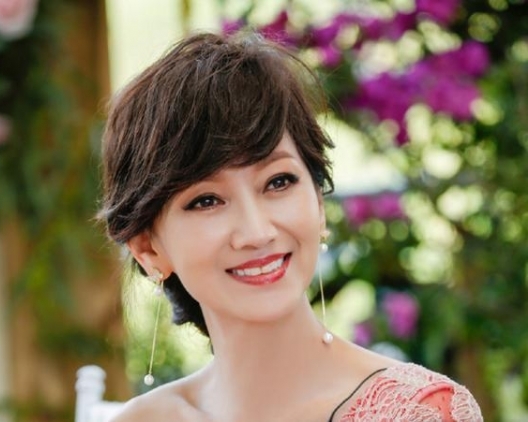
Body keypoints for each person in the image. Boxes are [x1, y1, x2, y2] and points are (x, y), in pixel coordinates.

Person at [99, 31, 482, 422]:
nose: (257, 232)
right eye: (206, 201)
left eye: (278, 182)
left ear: (318, 201)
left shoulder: (419, 412)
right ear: (148, 249)